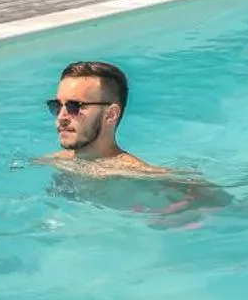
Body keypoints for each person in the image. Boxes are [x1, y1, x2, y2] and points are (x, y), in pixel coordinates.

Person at [39, 60, 228, 219]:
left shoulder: (136, 175)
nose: (61, 117)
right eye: (57, 106)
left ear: (111, 114)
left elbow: (220, 202)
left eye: (74, 107)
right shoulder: (54, 161)